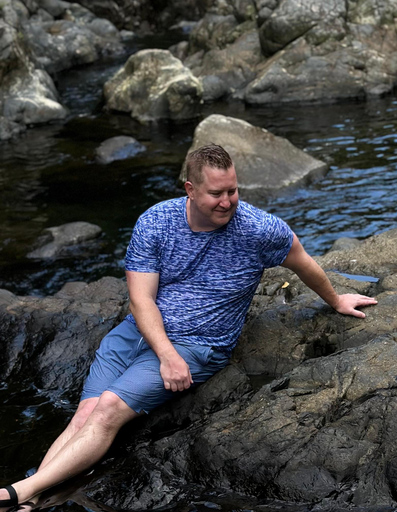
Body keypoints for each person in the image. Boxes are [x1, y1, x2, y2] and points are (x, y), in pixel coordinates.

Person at [0, 144, 377, 511]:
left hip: (198, 345)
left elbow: (302, 261)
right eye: (216, 193)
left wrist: (336, 300)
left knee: (107, 410)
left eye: (233, 190)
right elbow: (141, 299)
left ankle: (18, 492)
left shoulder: (259, 230)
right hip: (137, 333)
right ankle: (33, 499)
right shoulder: (156, 222)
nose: (228, 201)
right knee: (84, 416)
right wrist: (165, 354)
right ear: (191, 190)